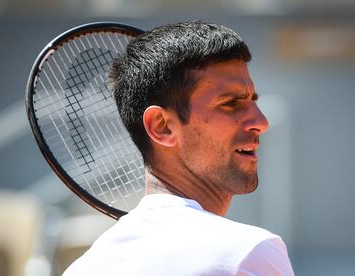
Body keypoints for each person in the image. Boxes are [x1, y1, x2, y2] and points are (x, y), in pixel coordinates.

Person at [63, 20, 294, 275]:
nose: (261, 122)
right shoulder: (248, 254)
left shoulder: (83, 268)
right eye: (230, 103)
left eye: (252, 101)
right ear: (162, 127)